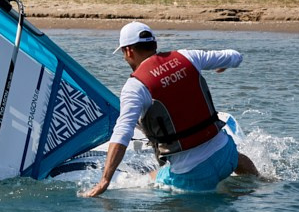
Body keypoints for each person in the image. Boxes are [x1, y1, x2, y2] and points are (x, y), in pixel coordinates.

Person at [82, 22, 258, 197]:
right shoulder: (188, 56)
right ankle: (262, 182)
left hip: (192, 177)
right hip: (226, 158)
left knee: (145, 185)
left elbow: (122, 133)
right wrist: (223, 64)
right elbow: (235, 56)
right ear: (154, 44)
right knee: (235, 156)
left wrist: (105, 180)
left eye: (123, 53)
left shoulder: (135, 86)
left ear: (128, 51)